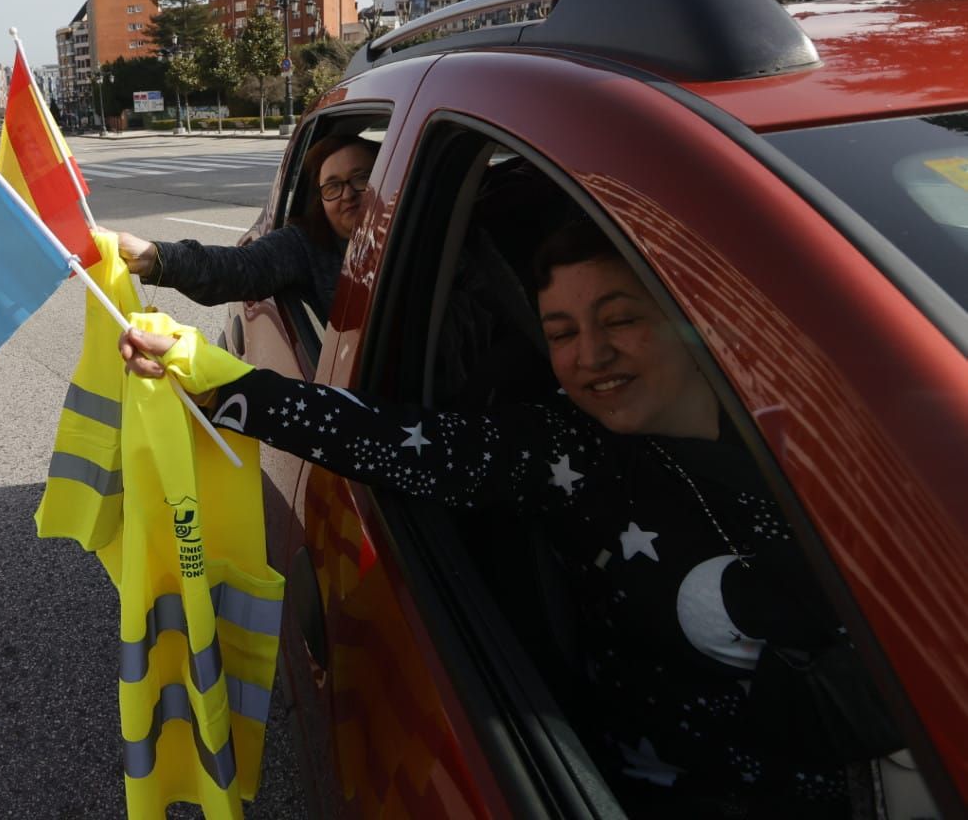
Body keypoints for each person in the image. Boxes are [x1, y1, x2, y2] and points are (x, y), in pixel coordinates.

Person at [120, 219, 899, 817]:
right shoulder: (559, 448)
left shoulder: (838, 444)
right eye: (561, 333)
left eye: (619, 318)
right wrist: (213, 381)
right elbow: (396, 440)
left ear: (685, 319)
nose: (590, 354)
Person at [112, 134, 379, 320]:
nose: (347, 194)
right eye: (332, 186)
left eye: (361, 178)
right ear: (319, 200)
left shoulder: (416, 234)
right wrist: (151, 256)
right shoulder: (304, 245)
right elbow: (236, 268)